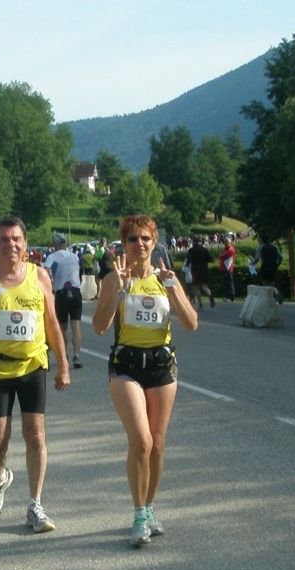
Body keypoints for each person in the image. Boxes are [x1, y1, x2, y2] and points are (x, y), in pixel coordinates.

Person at [0, 215, 71, 533]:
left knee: (35, 435)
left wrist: (62, 364)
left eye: (16, 238)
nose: (11, 244)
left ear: (25, 243)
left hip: (33, 365)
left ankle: (35, 505)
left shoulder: (40, 276)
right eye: (4, 239)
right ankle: (1, 474)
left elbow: (51, 322)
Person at [93, 215, 199, 547]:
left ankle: (150, 506)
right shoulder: (114, 279)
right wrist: (118, 290)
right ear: (122, 245)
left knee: (158, 442)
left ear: (155, 243)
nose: (139, 244)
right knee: (141, 441)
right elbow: (98, 326)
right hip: (126, 365)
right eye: (132, 239)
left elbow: (191, 323)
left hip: (161, 365)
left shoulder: (167, 278)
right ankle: (139, 514)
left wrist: (173, 288)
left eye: (145, 238)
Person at [43, 233, 84, 369]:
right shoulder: (74, 256)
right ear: (65, 244)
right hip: (76, 291)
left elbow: (45, 272)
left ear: (55, 245)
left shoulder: (52, 257)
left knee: (62, 328)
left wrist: (50, 286)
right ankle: (77, 355)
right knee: (76, 326)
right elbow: (80, 271)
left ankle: (64, 354)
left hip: (61, 292)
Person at [250, 237, 284, 303]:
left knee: (265, 284)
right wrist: (277, 265)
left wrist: (252, 263)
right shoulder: (274, 247)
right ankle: (277, 294)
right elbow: (280, 257)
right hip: (273, 267)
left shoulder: (261, 248)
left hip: (265, 267)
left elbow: (257, 258)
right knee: (272, 284)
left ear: (262, 240)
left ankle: (268, 300)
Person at [184, 237, 214, 310]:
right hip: (204, 269)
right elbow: (210, 259)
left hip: (195, 270)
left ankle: (200, 304)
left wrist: (187, 265)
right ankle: (210, 295)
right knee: (204, 286)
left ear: (193, 242)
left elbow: (188, 260)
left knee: (196, 287)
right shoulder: (204, 250)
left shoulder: (191, 251)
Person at [219, 236, 237, 302]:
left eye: (226, 242)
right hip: (225, 268)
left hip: (228, 268)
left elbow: (221, 256)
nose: (225, 244)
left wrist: (221, 255)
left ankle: (231, 297)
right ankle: (227, 297)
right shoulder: (226, 249)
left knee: (229, 283)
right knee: (226, 283)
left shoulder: (231, 250)